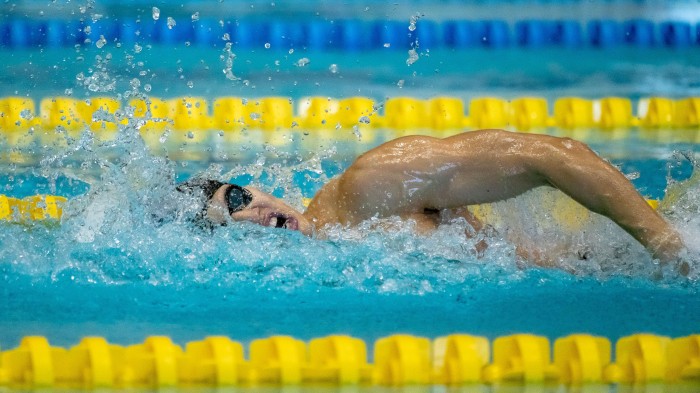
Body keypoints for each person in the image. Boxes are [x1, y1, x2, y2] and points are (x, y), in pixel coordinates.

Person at [177, 129, 685, 265]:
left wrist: (666, 247)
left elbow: (553, 155)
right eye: (229, 224)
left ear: (260, 185)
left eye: (238, 197)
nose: (250, 218)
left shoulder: (370, 187)